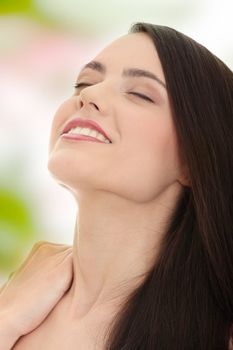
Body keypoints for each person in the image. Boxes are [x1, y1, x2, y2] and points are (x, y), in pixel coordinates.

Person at [0, 22, 232, 350]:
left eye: (139, 94)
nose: (89, 95)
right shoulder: (14, 307)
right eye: (83, 83)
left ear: (193, 161)